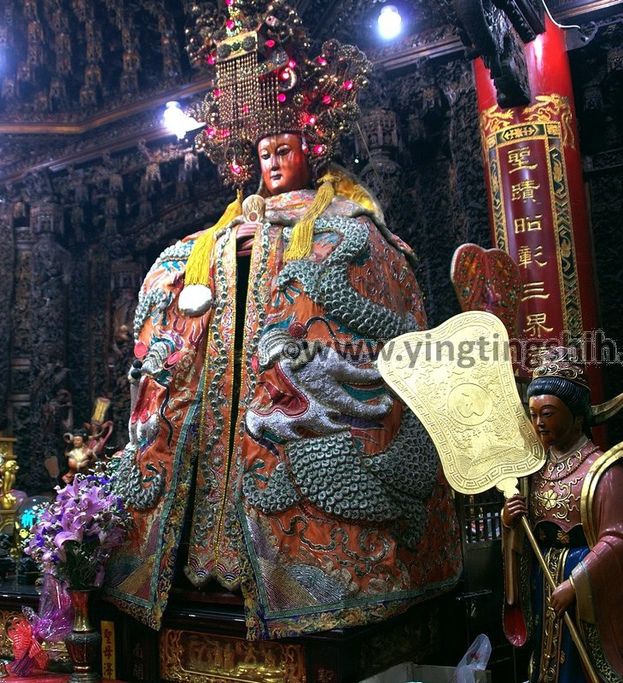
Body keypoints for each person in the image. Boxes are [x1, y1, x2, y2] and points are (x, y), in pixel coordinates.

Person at [105, 1, 461, 640]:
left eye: (285, 149)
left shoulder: (346, 229)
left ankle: (306, 570)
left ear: (309, 151)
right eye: (264, 151)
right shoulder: (214, 239)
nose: (272, 163)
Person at [502, 347, 623, 682]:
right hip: (544, 586)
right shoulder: (533, 471)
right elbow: (527, 536)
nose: (539, 423)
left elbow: (620, 540)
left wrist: (577, 582)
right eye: (534, 414)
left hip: (589, 594)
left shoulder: (604, 470)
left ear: (576, 414)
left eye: (548, 413)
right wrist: (510, 523)